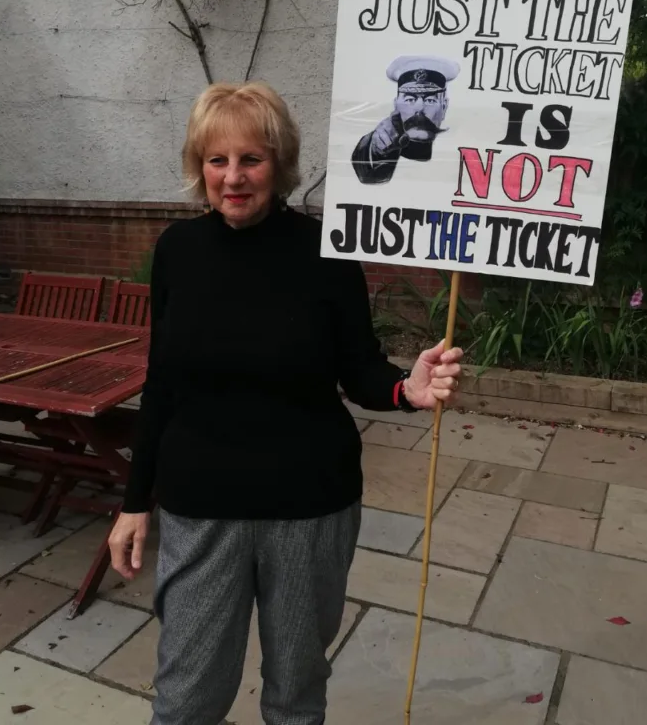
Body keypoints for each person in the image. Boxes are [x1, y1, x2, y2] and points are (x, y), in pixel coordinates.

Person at [108, 81, 463, 725]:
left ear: (281, 163)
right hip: (201, 506)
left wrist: (406, 390)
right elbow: (161, 381)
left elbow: (357, 367)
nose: (234, 177)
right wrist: (135, 502)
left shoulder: (324, 255)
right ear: (199, 168)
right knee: (186, 695)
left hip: (309, 507)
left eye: (252, 159)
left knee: (296, 691)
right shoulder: (177, 252)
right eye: (217, 160)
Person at [351, 55, 460, 184]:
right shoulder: (383, 139)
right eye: (410, 99)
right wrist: (376, 148)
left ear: (444, 107)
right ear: (396, 105)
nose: (419, 108)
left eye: (430, 100)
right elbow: (369, 176)